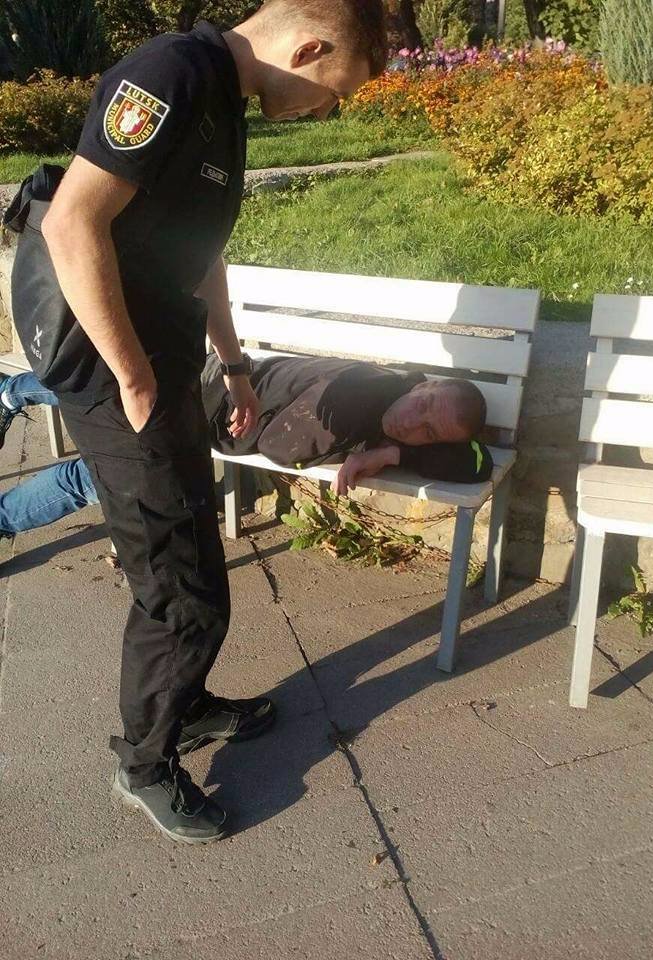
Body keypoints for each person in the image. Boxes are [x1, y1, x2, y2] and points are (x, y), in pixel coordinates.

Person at [7, 1, 389, 844]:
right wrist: (135, 378)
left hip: (161, 359)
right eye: (337, 90)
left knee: (192, 551)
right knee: (179, 585)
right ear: (309, 47)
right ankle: (144, 764)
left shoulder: (222, 95)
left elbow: (198, 247)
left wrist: (235, 362)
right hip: (114, 370)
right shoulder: (172, 75)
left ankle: (184, 703)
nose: (331, 109)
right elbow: (71, 223)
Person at [0, 354, 492, 535]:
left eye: (429, 433)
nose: (412, 423)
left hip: (207, 396)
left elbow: (477, 464)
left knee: (97, 398)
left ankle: (10, 391)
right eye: (424, 405)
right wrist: (376, 448)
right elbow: (281, 449)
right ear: (426, 384)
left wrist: (392, 453)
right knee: (96, 476)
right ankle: (12, 396)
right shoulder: (359, 396)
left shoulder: (400, 398)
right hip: (201, 401)